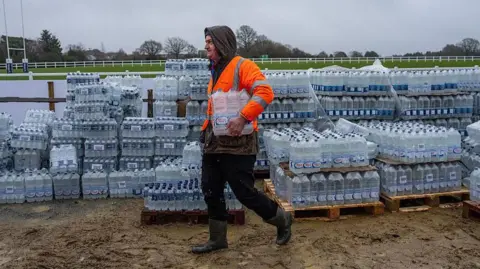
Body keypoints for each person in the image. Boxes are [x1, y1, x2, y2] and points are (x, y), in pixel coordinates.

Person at [191, 25, 293, 254]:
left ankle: (282, 219)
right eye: (205, 41)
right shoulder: (215, 70)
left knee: (244, 192)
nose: (206, 45)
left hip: (238, 143)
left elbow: (265, 91)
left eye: (210, 41)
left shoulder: (242, 66)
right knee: (210, 189)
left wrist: (242, 118)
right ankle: (217, 239)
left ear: (222, 43)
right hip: (214, 141)